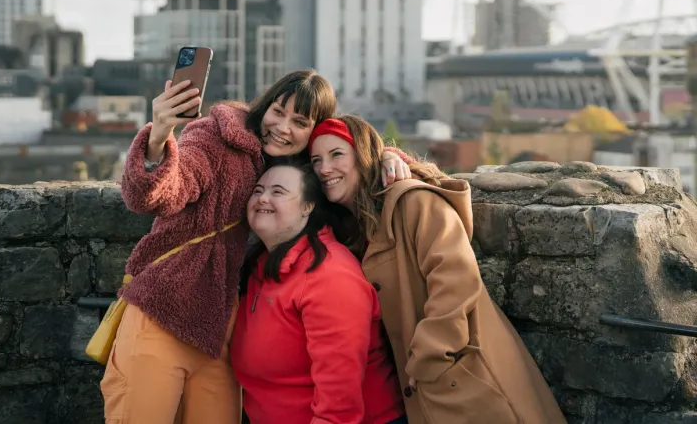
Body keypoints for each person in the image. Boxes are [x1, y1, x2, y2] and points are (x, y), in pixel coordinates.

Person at [100, 70, 410, 424]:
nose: (282, 127)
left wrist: (388, 157)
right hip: (167, 308)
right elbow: (166, 189)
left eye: (299, 121)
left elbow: (348, 155)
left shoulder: (300, 165)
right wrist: (158, 137)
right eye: (277, 111)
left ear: (313, 132)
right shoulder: (217, 136)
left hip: (220, 327)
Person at [309, 116, 568, 424]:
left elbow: (457, 278)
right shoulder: (350, 230)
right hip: (418, 390)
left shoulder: (412, 202)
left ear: (364, 154)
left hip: (461, 372)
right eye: (316, 161)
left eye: (337, 154)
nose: (324, 169)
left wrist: (430, 355)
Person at [231, 161, 407, 424]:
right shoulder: (263, 264)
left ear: (307, 207)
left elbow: (339, 406)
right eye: (257, 190)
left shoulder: (330, 275)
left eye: (278, 192)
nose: (263, 198)